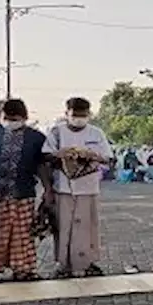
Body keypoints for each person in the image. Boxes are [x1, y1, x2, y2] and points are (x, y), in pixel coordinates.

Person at [0, 99, 51, 281]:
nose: (10, 121)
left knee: (22, 234)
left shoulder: (36, 137)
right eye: (7, 118)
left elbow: (41, 166)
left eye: (15, 118)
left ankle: (23, 269)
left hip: (22, 193)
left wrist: (48, 189)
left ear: (24, 118)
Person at [44, 97, 113, 277]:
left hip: (88, 188)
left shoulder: (96, 133)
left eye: (83, 115)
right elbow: (46, 156)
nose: (79, 119)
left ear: (88, 115)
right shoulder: (56, 132)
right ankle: (64, 265)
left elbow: (108, 157)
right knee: (64, 227)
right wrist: (62, 155)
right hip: (64, 188)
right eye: (75, 115)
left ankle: (88, 262)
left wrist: (90, 155)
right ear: (67, 114)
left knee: (88, 227)